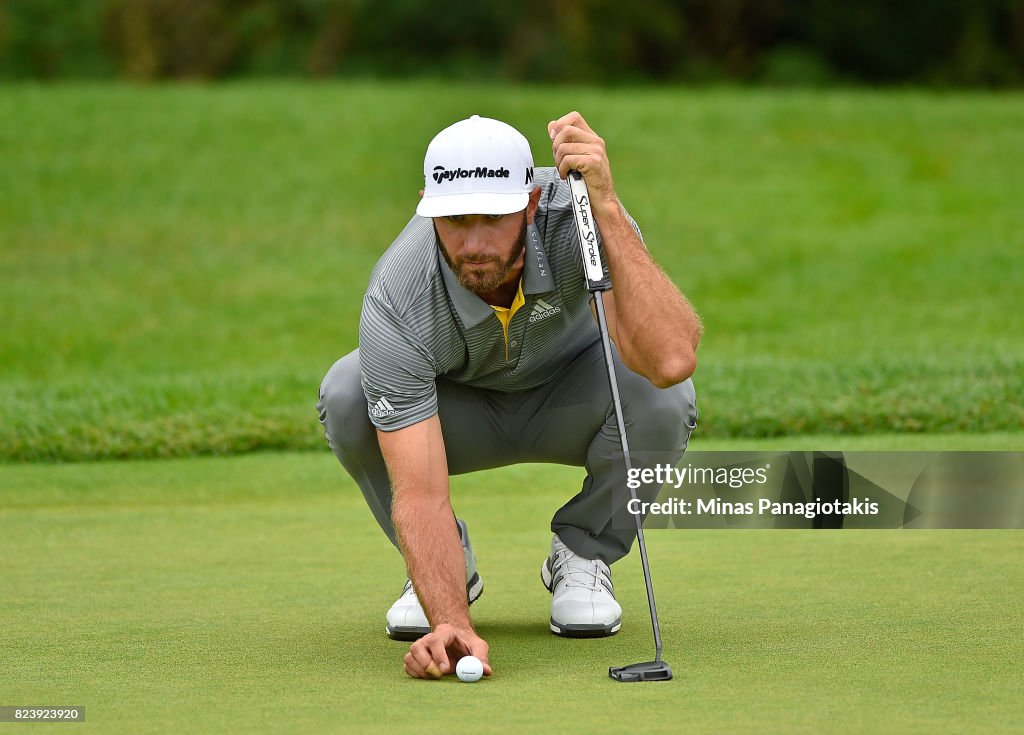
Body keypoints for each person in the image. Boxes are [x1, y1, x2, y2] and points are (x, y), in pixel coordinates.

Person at [317, 112, 701, 680]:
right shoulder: (397, 291)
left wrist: (609, 208)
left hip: (574, 396)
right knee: (348, 395)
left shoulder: (584, 222)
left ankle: (585, 552)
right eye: (454, 219)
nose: (474, 243)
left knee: (662, 397)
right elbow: (419, 495)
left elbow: (671, 359)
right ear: (428, 207)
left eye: (493, 218)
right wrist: (451, 622)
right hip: (458, 413)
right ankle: (449, 570)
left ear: (529, 201)